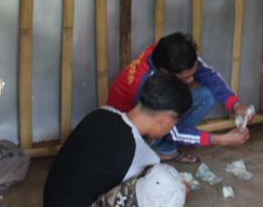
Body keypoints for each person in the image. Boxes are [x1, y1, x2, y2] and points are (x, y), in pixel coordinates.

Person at [44, 73, 192, 207]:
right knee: (170, 188)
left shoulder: (103, 112)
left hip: (51, 199)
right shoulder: (141, 155)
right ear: (166, 120)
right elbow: (162, 184)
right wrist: (179, 188)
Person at [107, 32, 254, 163]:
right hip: (128, 138)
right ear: (165, 72)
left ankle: (163, 148)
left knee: (205, 97)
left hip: (152, 117)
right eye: (185, 77)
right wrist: (220, 140)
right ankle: (153, 151)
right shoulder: (148, 85)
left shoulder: (171, 54)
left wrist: (235, 105)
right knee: (162, 140)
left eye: (192, 74)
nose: (191, 80)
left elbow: (209, 76)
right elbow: (168, 128)